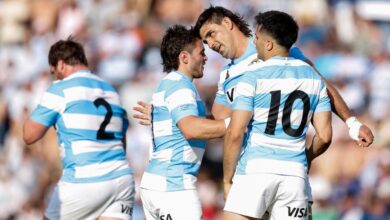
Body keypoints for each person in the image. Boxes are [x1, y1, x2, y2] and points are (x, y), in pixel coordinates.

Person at [193, 6, 373, 148]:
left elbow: (321, 85)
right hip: (250, 166)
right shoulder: (226, 76)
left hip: (286, 159)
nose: (210, 44)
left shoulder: (273, 46)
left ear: (227, 23)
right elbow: (219, 123)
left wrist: (353, 124)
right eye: (206, 41)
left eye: (211, 34)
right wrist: (185, 121)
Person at [223, 11, 332, 219]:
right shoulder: (314, 78)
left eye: (256, 37)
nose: (253, 42)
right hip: (295, 176)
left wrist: (227, 180)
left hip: (256, 170)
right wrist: (305, 158)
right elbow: (325, 136)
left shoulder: (252, 77)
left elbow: (235, 133)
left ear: (269, 44)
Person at [23, 38, 135, 220]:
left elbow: (29, 135)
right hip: (121, 179)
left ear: (60, 64)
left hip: (83, 180)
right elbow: (122, 142)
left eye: (54, 73)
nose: (55, 77)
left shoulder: (60, 89)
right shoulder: (112, 90)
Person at [139, 25, 227, 220]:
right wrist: (237, 125)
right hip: (173, 186)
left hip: (157, 182)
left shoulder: (169, 84)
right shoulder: (180, 87)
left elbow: (198, 125)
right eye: (201, 53)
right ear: (184, 57)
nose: (206, 58)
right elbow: (191, 129)